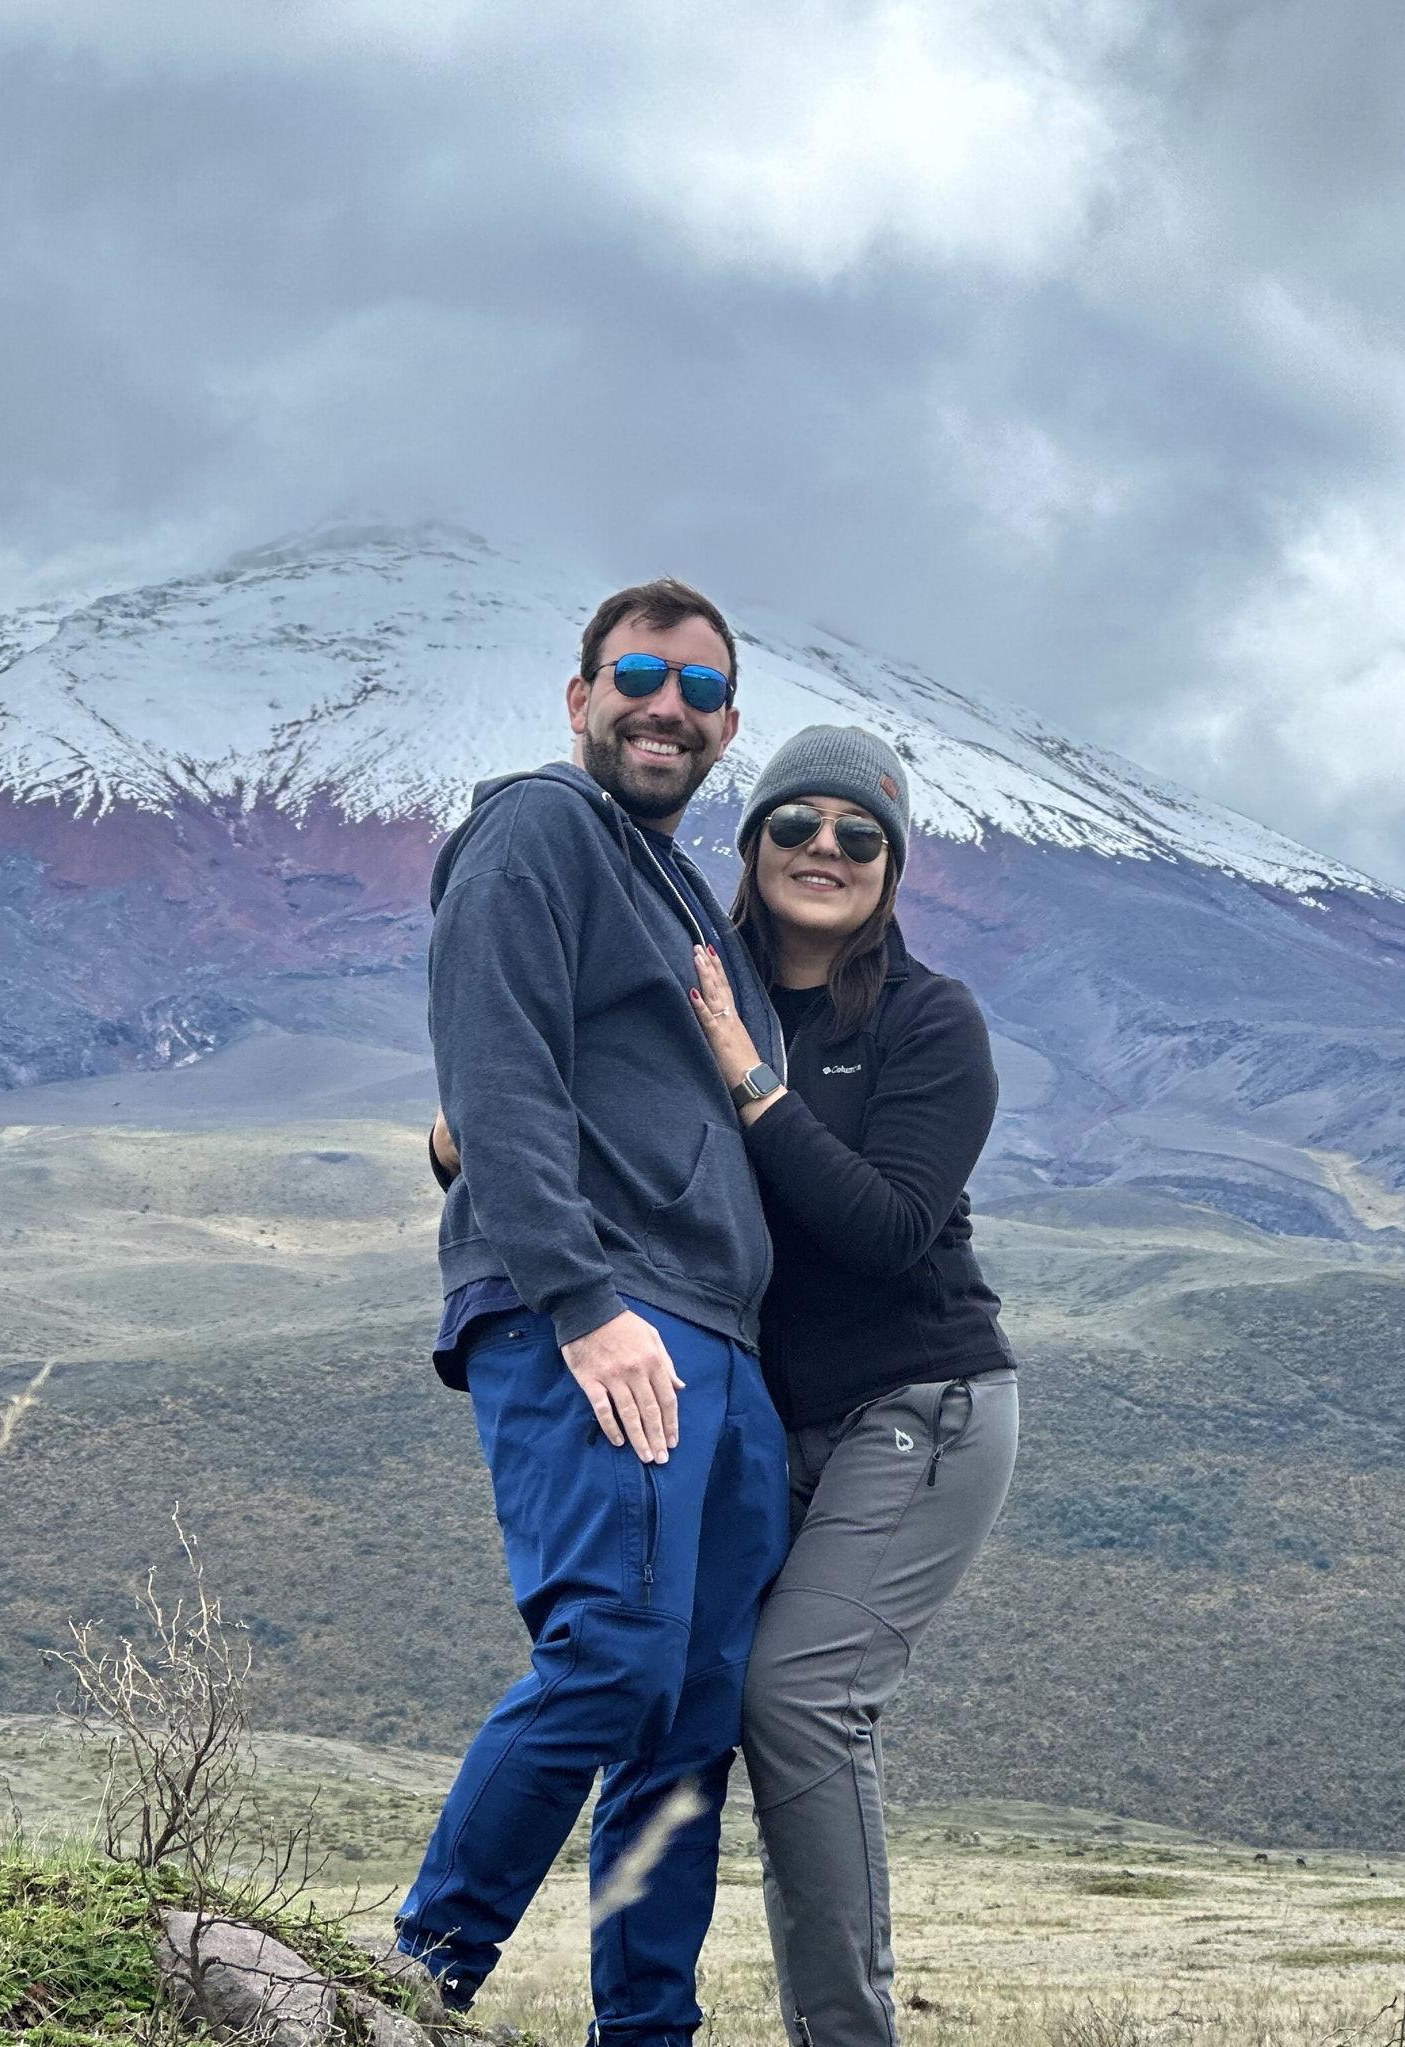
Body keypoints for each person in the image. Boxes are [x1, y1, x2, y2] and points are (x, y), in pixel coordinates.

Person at [394, 579, 792, 2044]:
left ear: (727, 727)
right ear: (580, 699)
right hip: (610, 1311)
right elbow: (489, 1065)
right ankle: (418, 1977)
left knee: (688, 1720)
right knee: (611, 1657)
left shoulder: (683, 889)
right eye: (637, 672)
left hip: (724, 1345)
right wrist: (581, 1300)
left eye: (698, 690)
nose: (664, 704)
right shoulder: (537, 828)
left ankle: (646, 2031)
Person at [686, 724, 1019, 2047]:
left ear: (892, 867)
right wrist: (454, 1137)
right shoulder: (708, 991)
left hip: (921, 1407)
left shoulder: (932, 1023)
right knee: (688, 1684)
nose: (823, 850)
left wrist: (752, 1084)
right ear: (752, 842)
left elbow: (887, 1230)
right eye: (794, 826)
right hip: (772, 1422)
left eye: (858, 836)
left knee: (801, 1700)